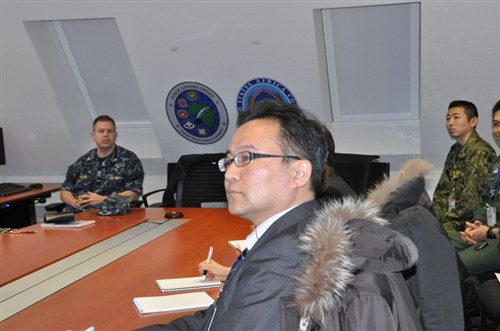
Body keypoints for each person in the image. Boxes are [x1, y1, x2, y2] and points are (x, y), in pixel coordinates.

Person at [432, 100, 496, 234]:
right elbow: (442, 191)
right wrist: (437, 216)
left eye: (456, 117)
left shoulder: (480, 152)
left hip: (470, 222)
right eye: (448, 118)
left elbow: (470, 203)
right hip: (451, 218)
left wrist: (441, 221)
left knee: (429, 236)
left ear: (473, 122)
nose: (450, 123)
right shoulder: (455, 150)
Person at [60, 115, 144, 212]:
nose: (105, 135)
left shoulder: (129, 159)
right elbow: (65, 190)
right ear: (93, 135)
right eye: (101, 131)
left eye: (110, 131)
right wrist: (74, 202)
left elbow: (134, 194)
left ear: (115, 135)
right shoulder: (83, 161)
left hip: (109, 214)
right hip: (77, 214)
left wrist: (103, 199)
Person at [454, 100, 500, 278]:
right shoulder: (497, 163)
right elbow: (484, 201)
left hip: (495, 239)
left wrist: (488, 232)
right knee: (435, 248)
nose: (498, 130)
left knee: (452, 266)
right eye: (496, 124)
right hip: (489, 233)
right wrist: (478, 225)